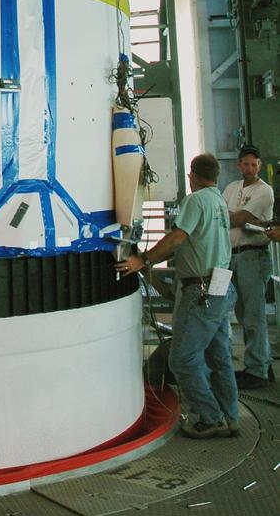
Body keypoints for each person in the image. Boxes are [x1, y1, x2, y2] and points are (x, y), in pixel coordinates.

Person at [116, 153, 238, 438]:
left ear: (191, 175)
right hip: (221, 287)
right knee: (219, 357)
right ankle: (231, 417)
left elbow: (177, 238)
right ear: (216, 175)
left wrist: (142, 260)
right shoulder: (218, 200)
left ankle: (209, 417)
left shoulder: (195, 200)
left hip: (201, 291)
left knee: (182, 359)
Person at [222, 144, 275, 389]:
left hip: (253, 256)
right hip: (233, 255)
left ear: (259, 166)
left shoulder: (264, 190)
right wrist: (234, 217)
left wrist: (234, 216)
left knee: (253, 315)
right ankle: (260, 363)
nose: (250, 168)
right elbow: (223, 215)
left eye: (254, 165)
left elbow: (236, 218)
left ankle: (258, 370)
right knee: (243, 313)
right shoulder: (231, 188)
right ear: (239, 164)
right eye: (246, 164)